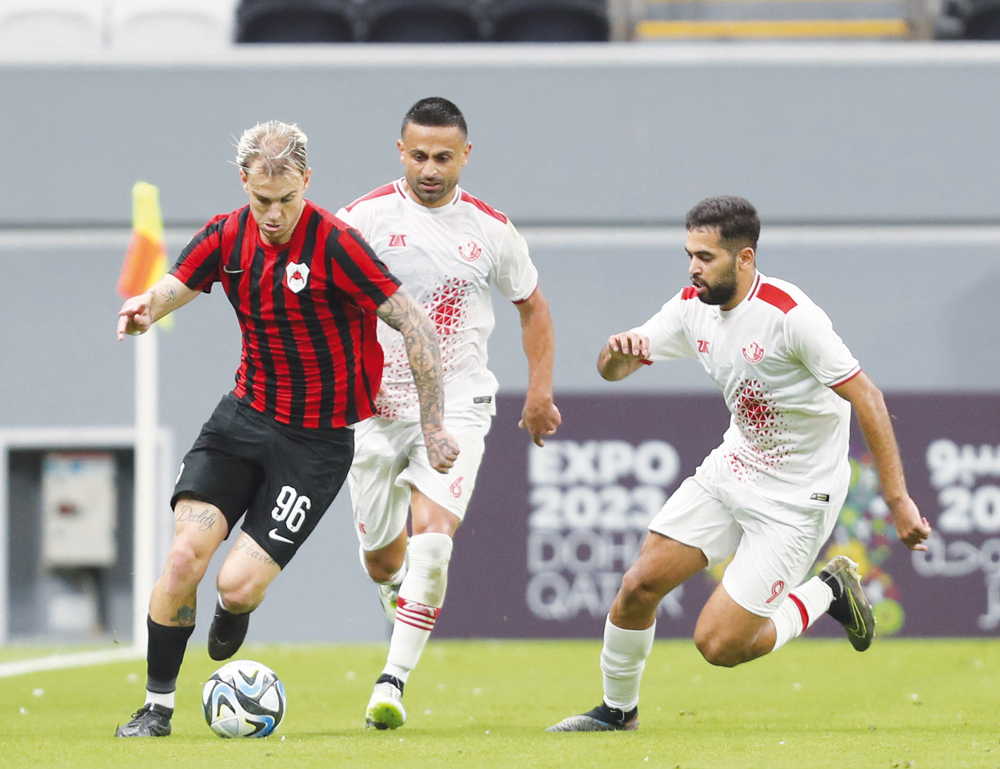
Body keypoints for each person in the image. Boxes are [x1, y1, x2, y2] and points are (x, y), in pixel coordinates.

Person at [114, 120, 458, 738]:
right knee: (183, 558)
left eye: (286, 200)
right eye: (261, 201)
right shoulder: (227, 234)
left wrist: (433, 429)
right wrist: (145, 306)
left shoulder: (338, 244)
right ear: (244, 182)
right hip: (241, 421)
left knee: (237, 586)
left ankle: (232, 610)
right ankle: (156, 708)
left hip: (316, 444)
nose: (273, 215)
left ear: (306, 181)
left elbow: (416, 325)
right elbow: (177, 283)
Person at [548, 195, 932, 733]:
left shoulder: (791, 317)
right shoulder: (690, 305)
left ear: (744, 258)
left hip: (798, 499)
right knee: (639, 584)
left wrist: (898, 500)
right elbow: (612, 370)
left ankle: (830, 590)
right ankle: (617, 712)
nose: (692, 267)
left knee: (721, 645)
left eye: (705, 257)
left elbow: (866, 398)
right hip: (733, 469)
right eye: (689, 254)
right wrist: (618, 352)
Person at [335, 97, 562, 730]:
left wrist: (539, 393)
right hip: (376, 410)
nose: (429, 168)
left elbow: (533, 307)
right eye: (418, 155)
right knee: (386, 560)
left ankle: (392, 682)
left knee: (432, 542)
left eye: (442, 156)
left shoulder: (490, 229)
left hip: (459, 404)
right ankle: (398, 595)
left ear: (465, 155)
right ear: (399, 151)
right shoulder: (361, 221)